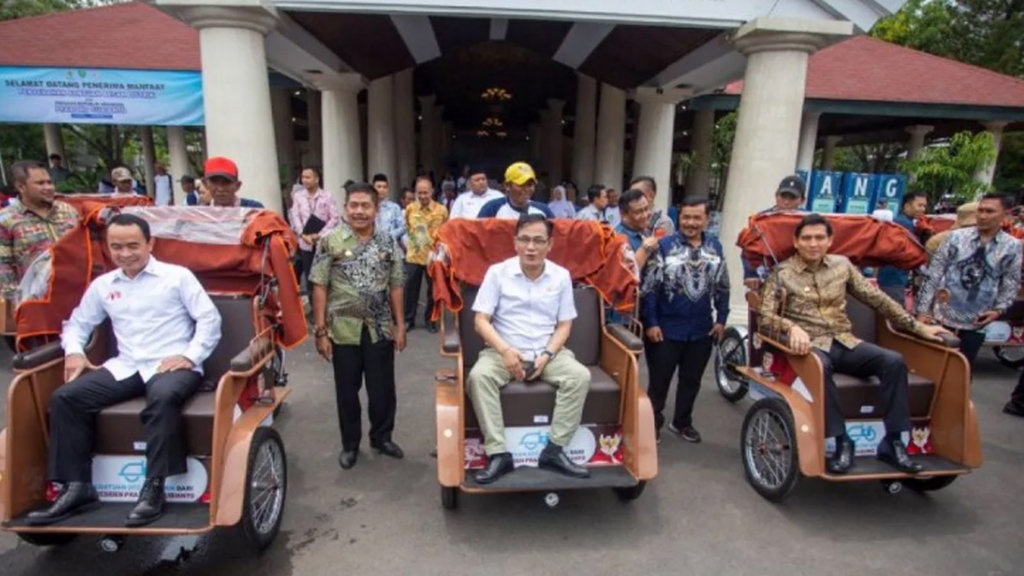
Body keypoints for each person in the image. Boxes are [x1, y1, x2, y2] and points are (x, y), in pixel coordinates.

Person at [26, 213, 221, 527]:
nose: (125, 253)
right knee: (66, 398)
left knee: (163, 397)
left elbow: (209, 321)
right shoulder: (103, 285)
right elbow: (77, 324)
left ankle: (154, 486)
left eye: (133, 245)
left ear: (149, 244)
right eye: (117, 247)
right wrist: (74, 352)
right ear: (108, 247)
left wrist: (189, 355)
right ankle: (76, 486)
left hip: (172, 362)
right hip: (127, 365)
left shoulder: (177, 276)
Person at [760, 213, 952, 474]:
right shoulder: (782, 273)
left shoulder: (842, 265)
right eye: (807, 238)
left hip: (845, 341)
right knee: (820, 367)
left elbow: (877, 299)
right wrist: (791, 327)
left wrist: (918, 327)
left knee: (893, 361)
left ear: (829, 241)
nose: (813, 244)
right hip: (809, 346)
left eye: (819, 238)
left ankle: (894, 442)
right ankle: (841, 441)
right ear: (796, 242)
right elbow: (765, 315)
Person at [469, 214, 591, 484]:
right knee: (479, 377)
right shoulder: (497, 273)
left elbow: (564, 326)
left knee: (579, 376)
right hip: (503, 351)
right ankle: (498, 454)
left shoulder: (561, 276)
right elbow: (480, 320)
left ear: (550, 244)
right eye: (524, 240)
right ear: (515, 243)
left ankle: (555, 450)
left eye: (538, 241)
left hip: (548, 351)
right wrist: (505, 351)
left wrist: (547, 355)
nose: (531, 247)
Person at [311, 182, 406, 470]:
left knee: (382, 390)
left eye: (366, 206)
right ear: (345, 208)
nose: (359, 211)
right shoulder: (330, 241)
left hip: (379, 327)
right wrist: (320, 331)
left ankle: (382, 437)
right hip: (343, 329)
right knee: (347, 392)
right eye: (354, 205)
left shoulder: (388, 242)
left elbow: (396, 284)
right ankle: (350, 445)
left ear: (376, 210)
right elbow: (319, 285)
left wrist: (400, 324)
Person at [641, 198, 729, 443]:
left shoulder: (715, 247)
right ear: (679, 218)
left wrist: (721, 317)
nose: (690, 223)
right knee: (659, 382)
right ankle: (652, 423)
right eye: (686, 217)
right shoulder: (663, 246)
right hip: (666, 329)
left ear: (706, 219)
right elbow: (649, 288)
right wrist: (651, 323)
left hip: (701, 330)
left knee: (691, 381)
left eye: (696, 218)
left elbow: (723, 285)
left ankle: (682, 422)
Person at [917, 193, 1022, 365]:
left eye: (989, 211)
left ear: (1005, 215)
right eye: (980, 210)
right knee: (931, 367)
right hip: (941, 317)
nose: (983, 215)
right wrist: (922, 312)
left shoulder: (1011, 246)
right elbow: (933, 274)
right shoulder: (956, 238)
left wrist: (999, 309)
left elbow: (1011, 281)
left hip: (977, 322)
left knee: (962, 371)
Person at [0, 161, 79, 302]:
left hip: (75, 293)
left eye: (49, 182)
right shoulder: (6, 219)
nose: (49, 187)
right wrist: (15, 300)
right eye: (40, 183)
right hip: (34, 301)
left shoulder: (68, 211)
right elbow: (3, 265)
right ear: (21, 187)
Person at [742, 174, 807, 290]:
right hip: (766, 277)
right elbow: (749, 249)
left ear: (802, 200)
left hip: (800, 279)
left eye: (792, 198)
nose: (786, 202)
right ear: (776, 196)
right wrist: (751, 274)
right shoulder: (761, 219)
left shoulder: (809, 221)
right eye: (783, 196)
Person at [404, 176, 448, 332]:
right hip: (413, 255)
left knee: (433, 290)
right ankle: (409, 320)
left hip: (433, 257)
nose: (422, 196)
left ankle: (430, 320)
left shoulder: (442, 210)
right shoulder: (410, 209)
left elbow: (445, 232)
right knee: (410, 289)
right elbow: (408, 228)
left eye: (425, 192)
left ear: (432, 192)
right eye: (419, 193)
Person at [288, 166, 340, 292]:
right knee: (309, 275)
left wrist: (320, 235)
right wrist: (302, 234)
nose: (304, 180)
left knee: (325, 275)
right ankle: (313, 305)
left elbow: (334, 218)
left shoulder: (327, 196)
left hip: (323, 242)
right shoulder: (298, 196)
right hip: (305, 243)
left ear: (316, 179)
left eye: (308, 177)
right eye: (303, 177)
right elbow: (295, 216)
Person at [877, 191, 928, 305]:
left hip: (891, 277)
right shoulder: (904, 224)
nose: (923, 209)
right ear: (907, 205)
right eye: (919, 205)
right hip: (894, 278)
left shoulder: (901, 222)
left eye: (924, 206)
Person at [478, 162, 555, 219]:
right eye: (521, 184)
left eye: (530, 185)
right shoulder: (492, 208)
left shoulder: (544, 210)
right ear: (507, 186)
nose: (527, 189)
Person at [371, 173, 406, 246]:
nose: (382, 189)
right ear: (373, 188)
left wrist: (389, 236)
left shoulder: (394, 208)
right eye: (379, 187)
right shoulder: (368, 207)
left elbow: (402, 227)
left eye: (384, 187)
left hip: (391, 246)